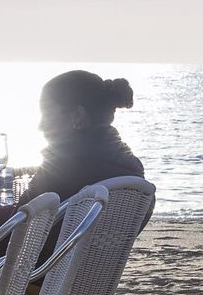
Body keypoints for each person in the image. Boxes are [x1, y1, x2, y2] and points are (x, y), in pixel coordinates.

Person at [19, 69, 144, 203]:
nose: (40, 126)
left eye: (47, 114)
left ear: (77, 116)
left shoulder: (58, 169)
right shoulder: (132, 167)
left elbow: (16, 221)